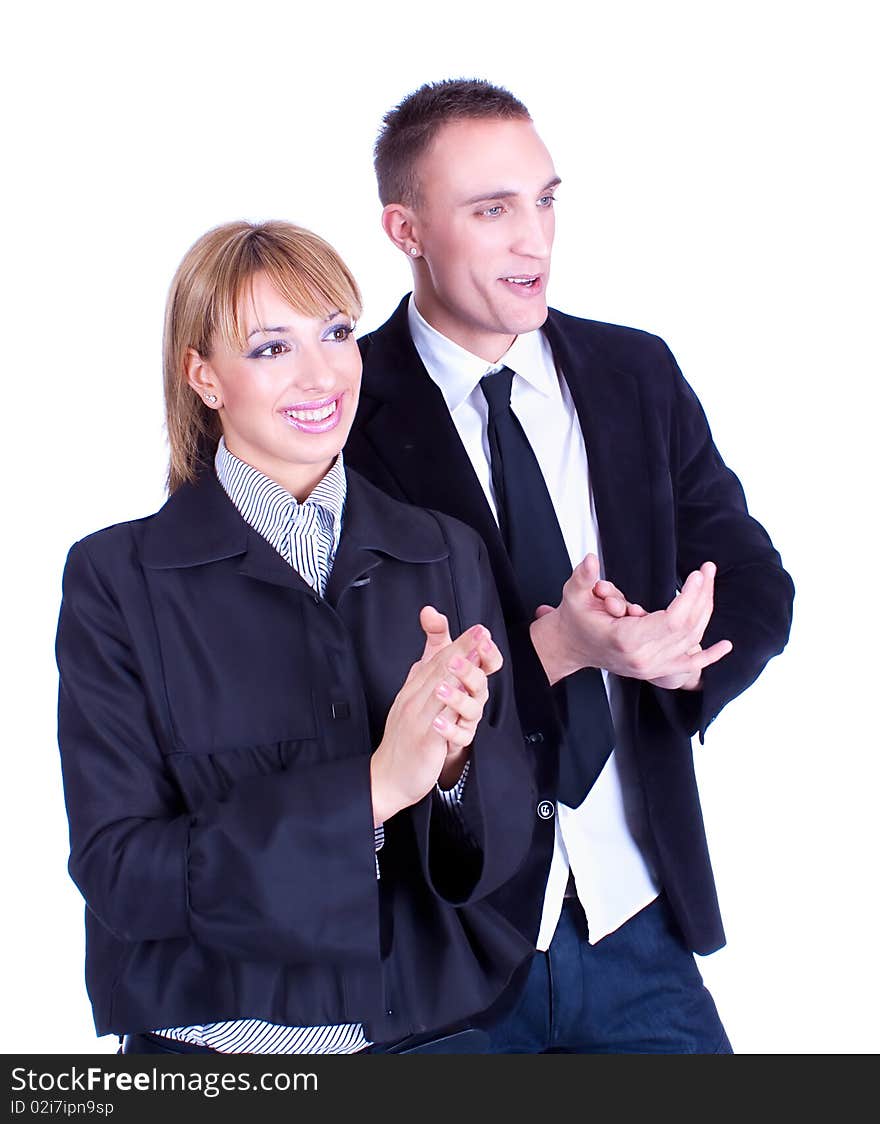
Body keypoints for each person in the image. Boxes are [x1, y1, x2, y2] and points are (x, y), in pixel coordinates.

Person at [346, 79, 795, 1053]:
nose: (534, 240)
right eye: (491, 208)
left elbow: (756, 582)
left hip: (634, 926)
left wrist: (678, 652)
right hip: (434, 946)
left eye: (545, 199)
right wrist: (556, 646)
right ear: (405, 227)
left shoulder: (633, 373)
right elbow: (338, 678)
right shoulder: (339, 411)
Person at [55, 219, 538, 1055]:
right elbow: (122, 873)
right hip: (213, 1057)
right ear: (204, 377)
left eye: (337, 334)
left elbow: (499, 852)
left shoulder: (443, 550)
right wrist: (374, 790)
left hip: (431, 1043)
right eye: (271, 349)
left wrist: (454, 764)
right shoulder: (116, 579)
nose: (322, 375)